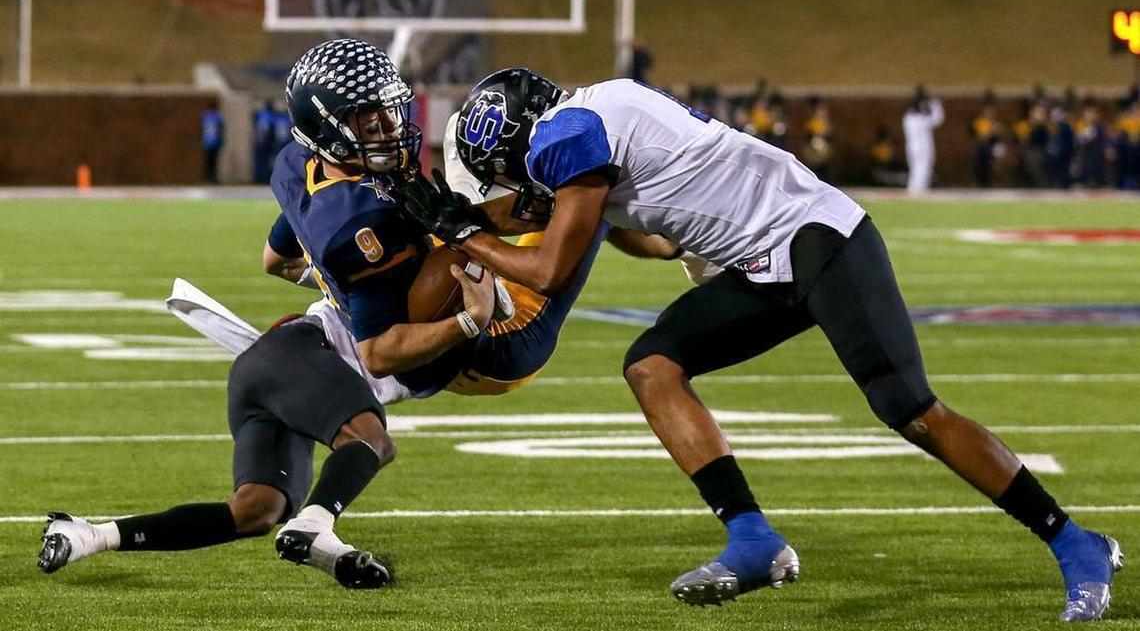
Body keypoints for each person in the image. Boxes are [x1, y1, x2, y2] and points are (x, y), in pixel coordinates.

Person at [399, 67, 1123, 621]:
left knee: (908, 406)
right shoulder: (597, 111)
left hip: (819, 239)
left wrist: (469, 234)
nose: (516, 190)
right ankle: (753, 537)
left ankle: (1072, 539)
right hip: (767, 262)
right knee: (653, 364)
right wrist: (523, 226)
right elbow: (652, 240)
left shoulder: (569, 135)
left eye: (508, 175)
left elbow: (551, 268)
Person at [39, 40, 679, 590]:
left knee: (255, 509)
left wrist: (329, 267)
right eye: (365, 118)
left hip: (299, 354)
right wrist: (466, 318)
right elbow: (377, 353)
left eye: (386, 107)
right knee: (559, 216)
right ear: (328, 126)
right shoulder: (362, 226)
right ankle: (317, 526)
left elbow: (273, 256)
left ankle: (92, 535)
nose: (387, 124)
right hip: (466, 344)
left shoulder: (299, 161)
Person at [902, 85, 943, 194]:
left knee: (916, 170)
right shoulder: (920, 118)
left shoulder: (908, 117)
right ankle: (918, 191)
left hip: (912, 146)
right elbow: (937, 119)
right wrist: (935, 105)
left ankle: (913, 190)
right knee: (922, 169)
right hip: (923, 147)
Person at [201, 105, 225, 184]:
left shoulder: (205, 116)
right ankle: (212, 178)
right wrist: (221, 141)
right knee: (213, 161)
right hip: (214, 142)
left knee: (209, 161)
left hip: (207, 142)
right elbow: (221, 129)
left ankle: (208, 178)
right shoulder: (217, 117)